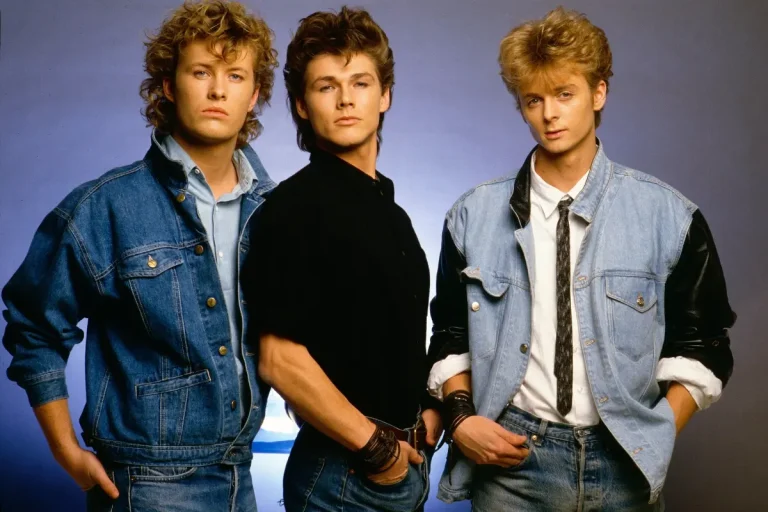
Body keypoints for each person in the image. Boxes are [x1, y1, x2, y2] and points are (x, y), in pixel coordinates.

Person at [426, 7, 736, 511]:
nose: (549, 114)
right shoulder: (471, 215)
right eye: (534, 100)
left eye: (564, 94)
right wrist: (461, 420)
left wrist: (654, 434)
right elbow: (450, 334)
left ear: (598, 93)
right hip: (511, 465)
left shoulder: (669, 215)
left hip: (623, 466)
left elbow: (706, 344)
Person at [2, 1, 277, 510]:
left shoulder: (275, 212)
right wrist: (65, 450)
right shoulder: (106, 206)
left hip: (241, 475)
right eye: (201, 72)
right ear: (169, 85)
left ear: (254, 94)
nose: (218, 91)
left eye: (236, 76)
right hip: (147, 484)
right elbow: (34, 327)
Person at [243, 6, 442, 512]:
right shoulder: (294, 208)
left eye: (361, 83)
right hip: (345, 474)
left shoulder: (390, 211)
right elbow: (278, 359)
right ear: (302, 104)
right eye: (326, 86)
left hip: (402, 466)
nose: (346, 98)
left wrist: (427, 414)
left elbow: (390, 338)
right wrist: (378, 452)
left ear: (385, 95)